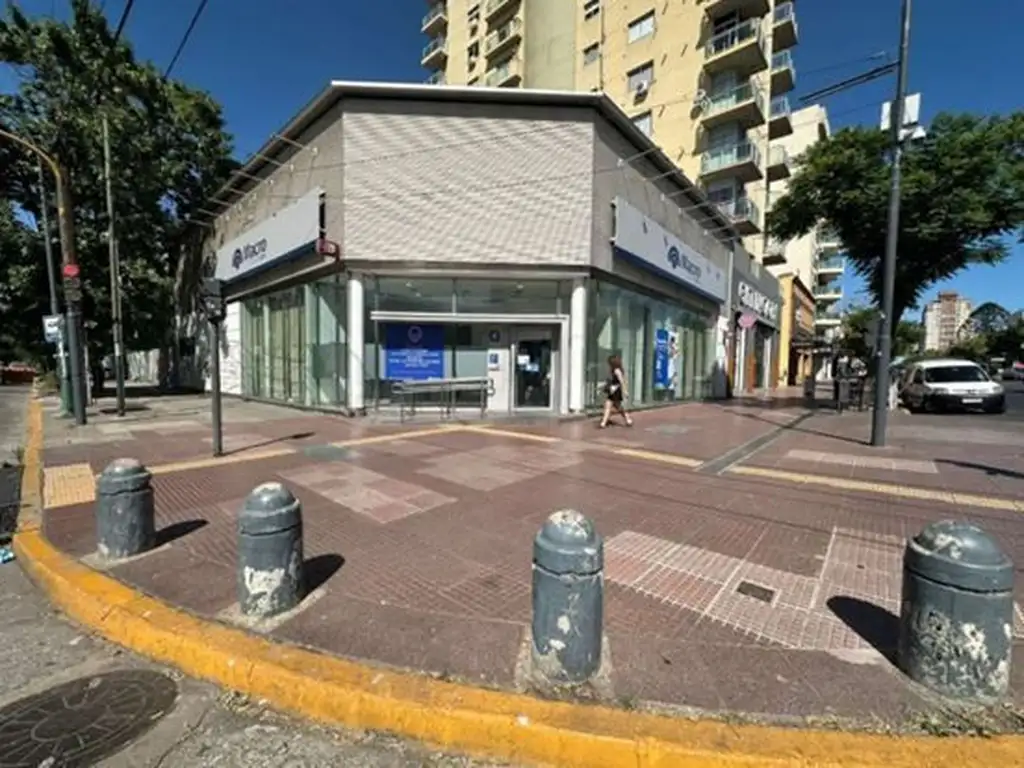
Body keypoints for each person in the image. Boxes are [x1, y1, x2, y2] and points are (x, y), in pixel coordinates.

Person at [599, 354, 633, 428]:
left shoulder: (617, 370)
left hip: (615, 391)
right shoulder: (615, 370)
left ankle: (604, 422)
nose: (608, 364)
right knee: (615, 406)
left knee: (610, 405)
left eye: (609, 363)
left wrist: (625, 391)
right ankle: (627, 419)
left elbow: (622, 381)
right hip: (614, 390)